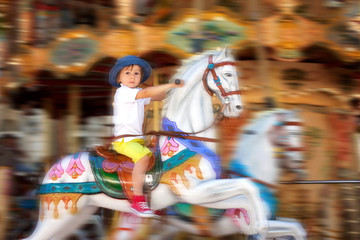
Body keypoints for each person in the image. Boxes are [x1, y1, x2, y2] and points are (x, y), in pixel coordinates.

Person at [108, 55, 183, 217]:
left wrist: (177, 92)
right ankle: (137, 200)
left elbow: (157, 96)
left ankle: (153, 197)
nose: (132, 77)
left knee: (156, 158)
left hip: (135, 140)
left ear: (141, 77)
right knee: (143, 158)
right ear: (119, 78)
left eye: (136, 73)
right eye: (127, 73)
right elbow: (148, 91)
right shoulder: (123, 92)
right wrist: (170, 84)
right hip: (124, 140)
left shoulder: (136, 94)